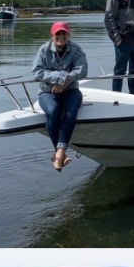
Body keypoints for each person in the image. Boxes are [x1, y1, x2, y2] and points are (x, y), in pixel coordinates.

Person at [31, 21, 88, 171]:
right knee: (53, 111)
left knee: (71, 112)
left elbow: (82, 70)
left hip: (71, 90)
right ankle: (61, 154)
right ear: (52, 35)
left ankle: (59, 154)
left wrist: (64, 83)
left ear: (69, 35)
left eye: (64, 33)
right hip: (47, 91)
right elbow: (37, 72)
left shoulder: (76, 49)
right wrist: (60, 79)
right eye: (58, 33)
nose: (61, 36)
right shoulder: (44, 50)